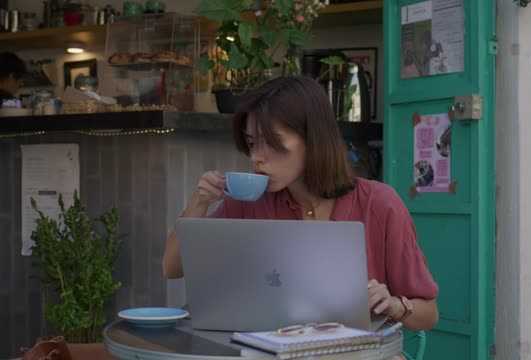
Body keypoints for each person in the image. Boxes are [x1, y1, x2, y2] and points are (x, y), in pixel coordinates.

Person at [162, 76, 439, 331]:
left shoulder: (379, 204)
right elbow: (171, 268)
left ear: (312, 139)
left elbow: (429, 315)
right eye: (251, 143)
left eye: (271, 143)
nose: (256, 157)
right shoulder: (249, 204)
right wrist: (199, 202)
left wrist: (394, 305)